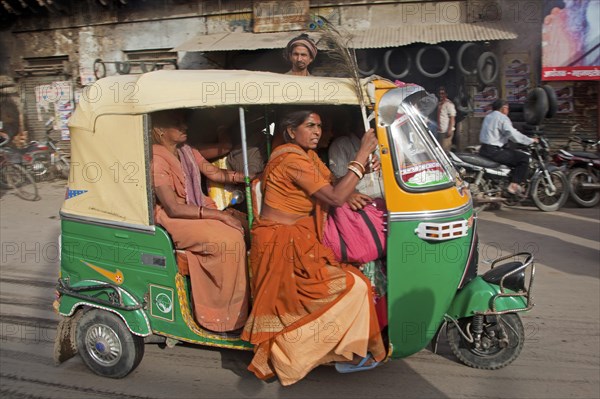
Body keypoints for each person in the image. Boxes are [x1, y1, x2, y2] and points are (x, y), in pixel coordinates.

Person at [242, 110, 386, 385]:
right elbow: (333, 196)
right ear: (290, 131)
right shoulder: (290, 159)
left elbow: (330, 184)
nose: (317, 131)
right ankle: (295, 360)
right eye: (310, 126)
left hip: (302, 241)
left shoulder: (308, 157)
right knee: (349, 287)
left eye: (319, 126)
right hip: (280, 244)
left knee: (358, 283)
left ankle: (344, 350)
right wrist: (361, 154)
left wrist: (359, 175)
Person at [151, 109, 250, 333]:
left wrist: (245, 178)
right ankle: (221, 318)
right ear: (159, 131)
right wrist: (220, 215)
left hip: (197, 209)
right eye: (177, 124)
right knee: (229, 241)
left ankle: (244, 306)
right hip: (174, 218)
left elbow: (213, 173)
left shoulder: (186, 150)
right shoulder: (156, 160)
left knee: (248, 227)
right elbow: (173, 207)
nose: (185, 127)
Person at [479, 99, 539, 197]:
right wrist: (530, 140)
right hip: (494, 151)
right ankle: (514, 185)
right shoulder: (502, 118)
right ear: (504, 108)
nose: (508, 111)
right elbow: (512, 134)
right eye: (507, 108)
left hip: (484, 149)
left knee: (511, 154)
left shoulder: (488, 116)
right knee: (523, 158)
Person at [437, 86, 456, 152]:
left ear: (446, 94)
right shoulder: (439, 104)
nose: (441, 95)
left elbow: (452, 118)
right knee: (440, 150)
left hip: (446, 131)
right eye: (440, 94)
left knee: (445, 150)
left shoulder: (449, 104)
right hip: (440, 131)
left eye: (442, 94)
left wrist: (449, 130)